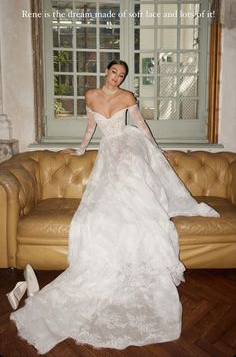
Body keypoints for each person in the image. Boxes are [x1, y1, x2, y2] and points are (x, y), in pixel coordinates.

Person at [8, 60, 220, 354]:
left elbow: (141, 125)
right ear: (106, 72)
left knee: (136, 189)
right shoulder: (91, 95)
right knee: (105, 202)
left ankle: (143, 224)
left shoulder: (127, 97)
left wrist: (156, 150)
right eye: (114, 73)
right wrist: (81, 149)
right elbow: (91, 125)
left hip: (128, 144)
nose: (117, 78)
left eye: (121, 75)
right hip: (108, 149)